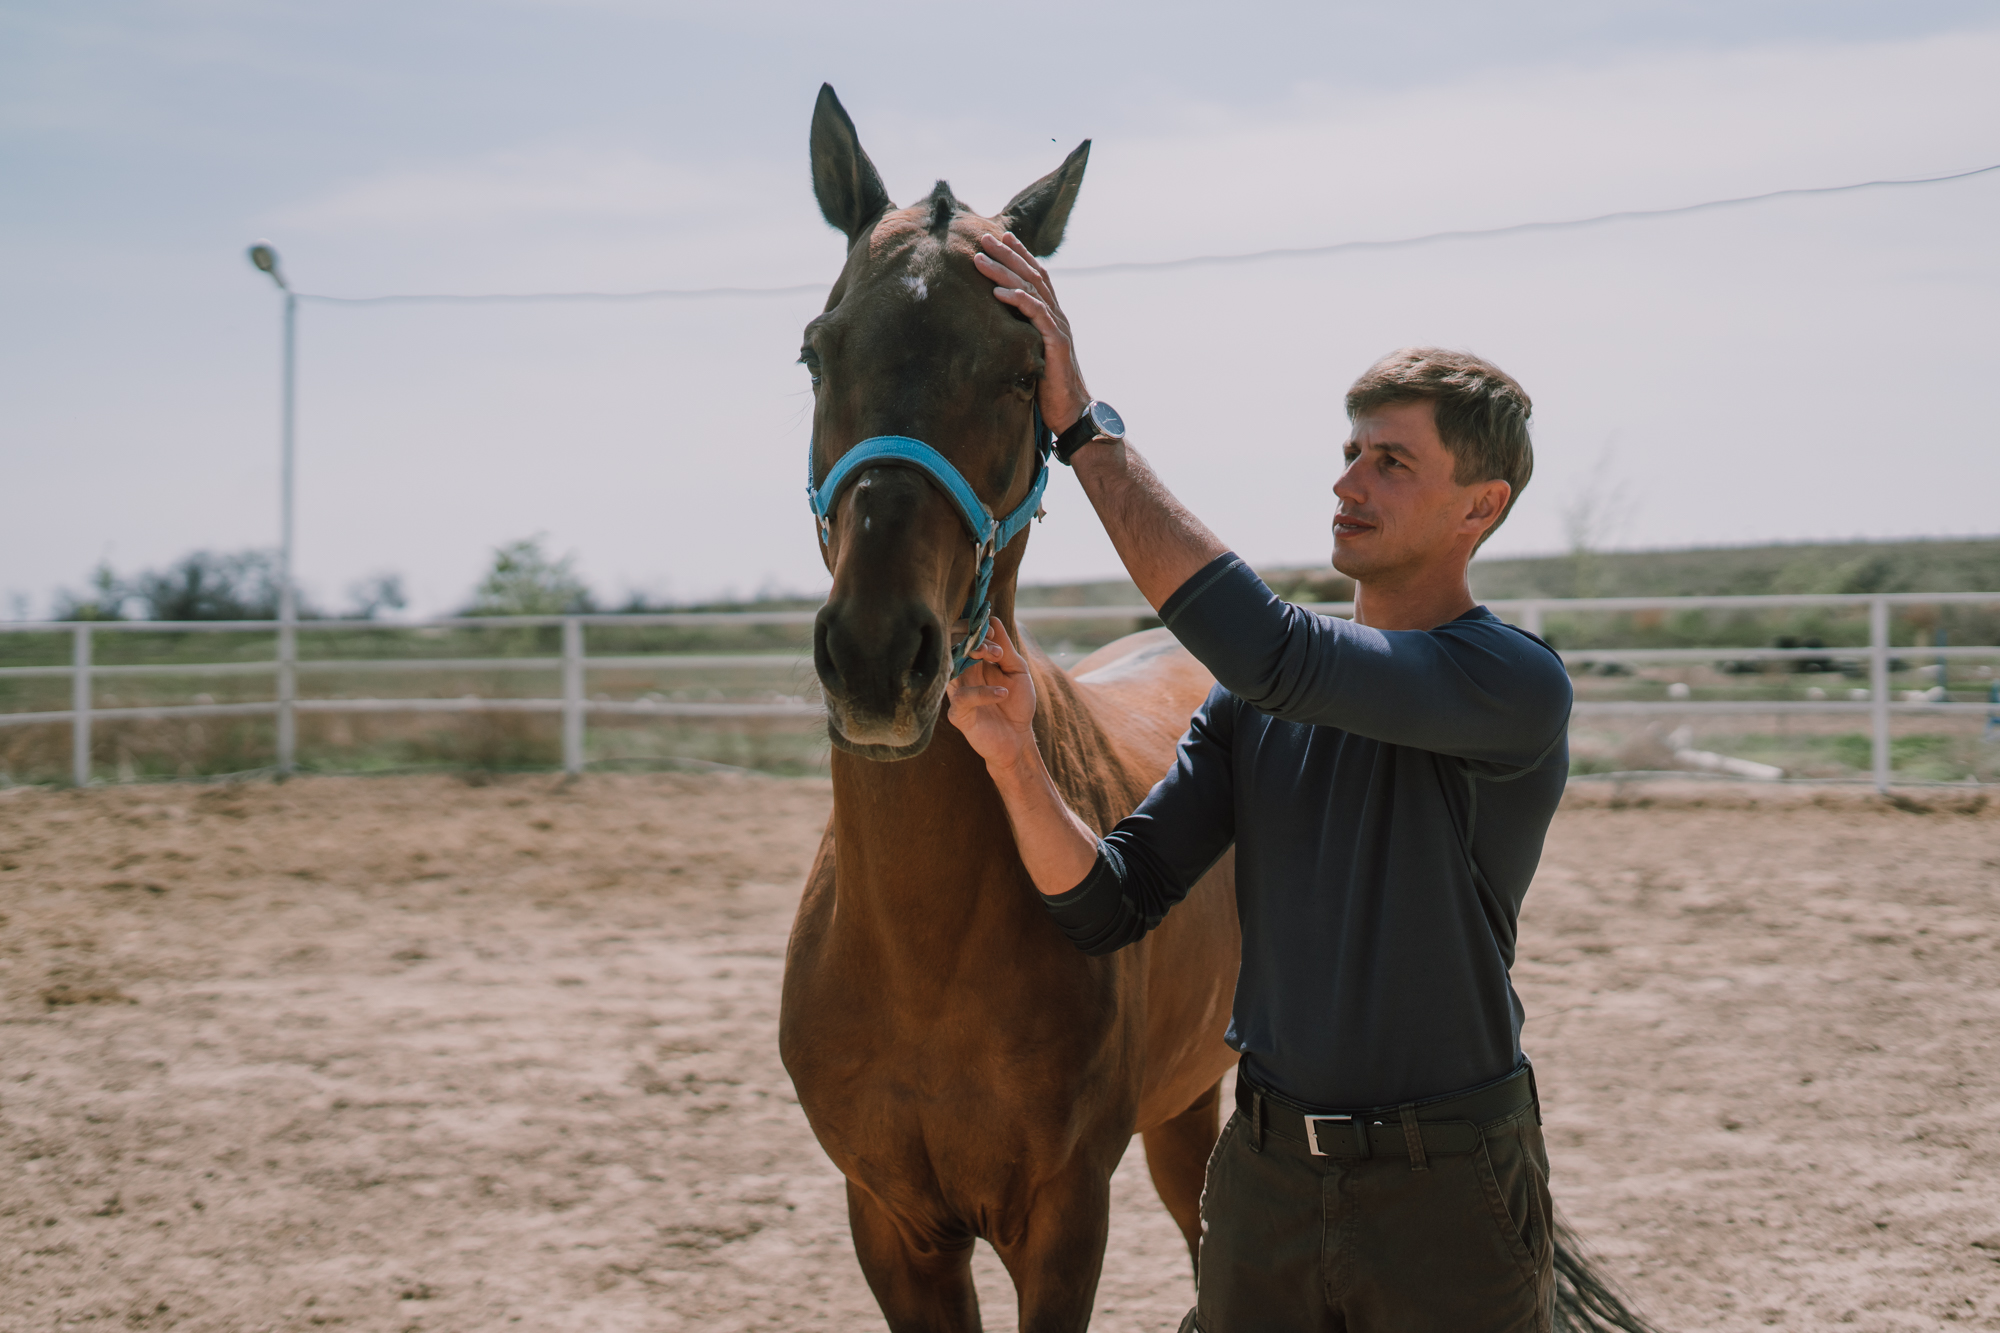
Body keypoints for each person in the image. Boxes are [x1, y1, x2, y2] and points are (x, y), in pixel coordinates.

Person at [946, 230, 1574, 1333]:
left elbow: (1268, 646)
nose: (1346, 481)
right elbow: (1107, 901)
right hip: (1265, 1177)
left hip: (1447, 1188)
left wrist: (1084, 431)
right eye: (1349, 452)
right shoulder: (1252, 711)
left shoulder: (1506, 682)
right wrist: (1011, 756)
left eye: (1391, 461)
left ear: (1478, 507)